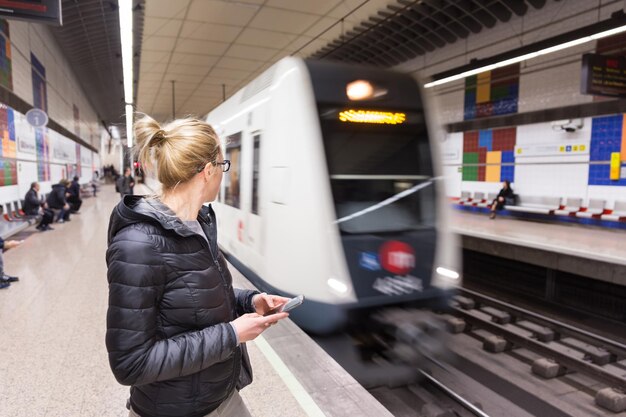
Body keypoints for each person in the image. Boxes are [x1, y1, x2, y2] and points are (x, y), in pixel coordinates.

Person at [106, 115, 290, 417]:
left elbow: (200, 291)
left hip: (220, 396)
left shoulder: (197, 224)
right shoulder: (137, 246)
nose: (224, 174)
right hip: (172, 409)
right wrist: (232, 335)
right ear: (207, 171)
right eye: (223, 166)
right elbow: (130, 363)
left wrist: (251, 301)